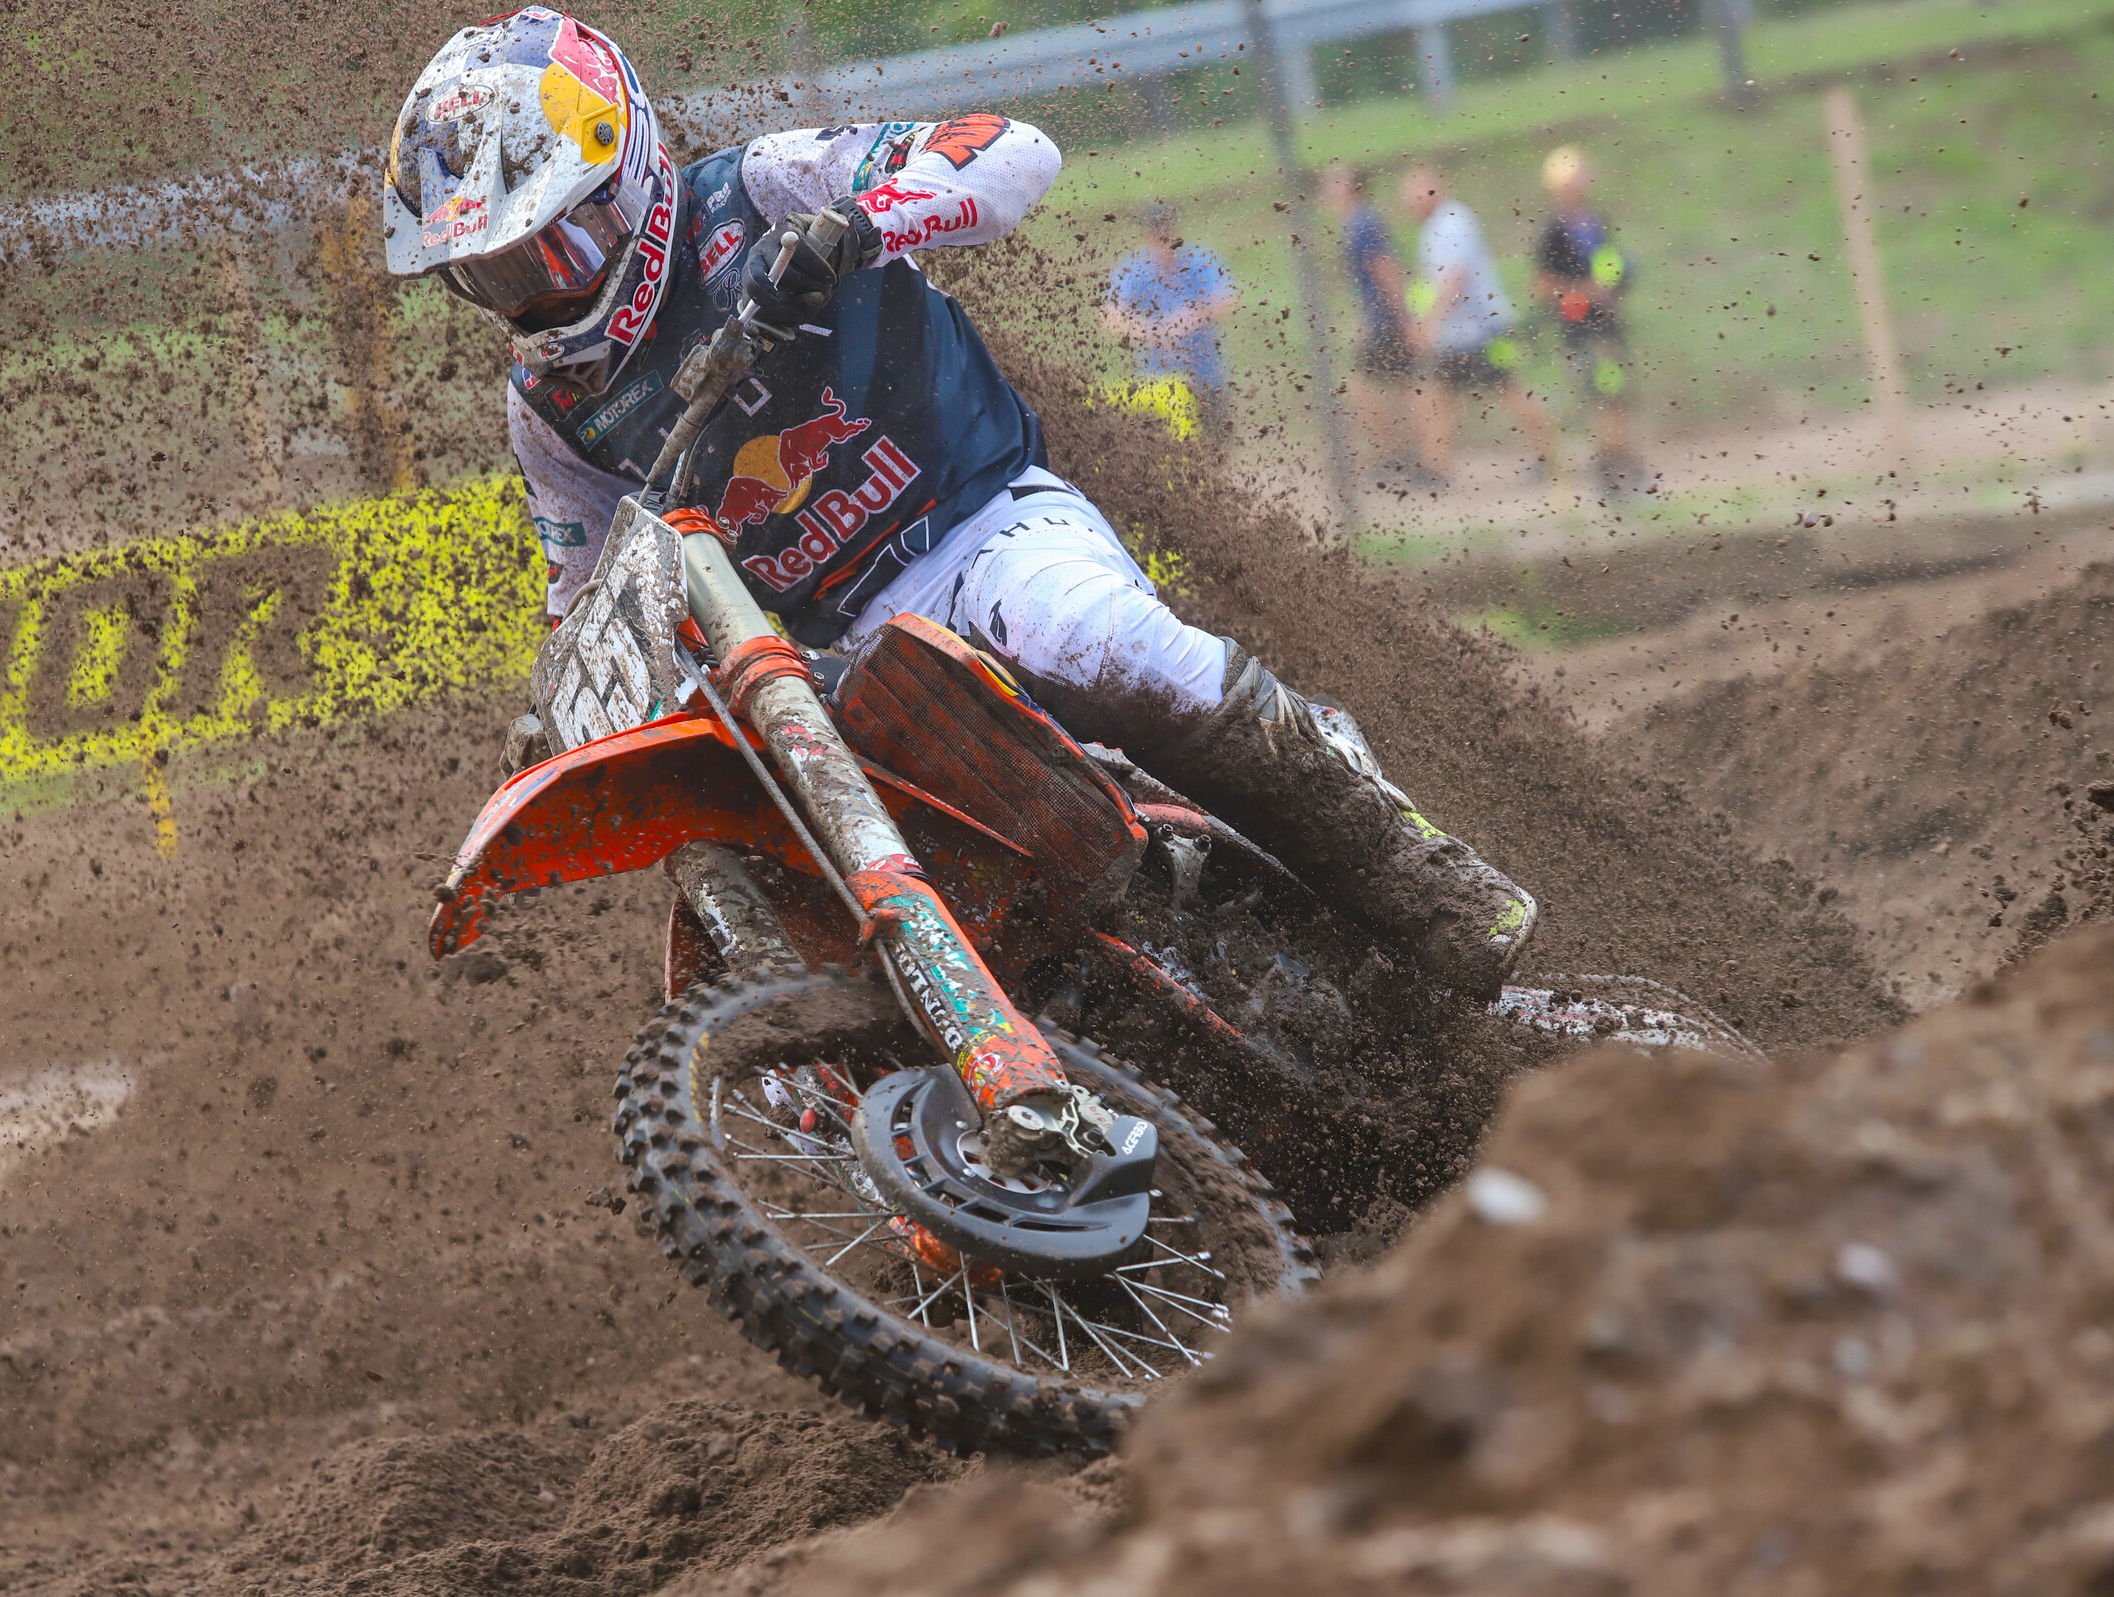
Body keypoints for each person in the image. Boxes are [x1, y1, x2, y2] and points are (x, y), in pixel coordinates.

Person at [379, 9, 1536, 997]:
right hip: (838, 665)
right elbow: (582, 587)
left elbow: (1011, 151)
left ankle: (1427, 881)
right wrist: (558, 707)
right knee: (805, 892)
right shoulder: (549, 408)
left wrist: (861, 226)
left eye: (553, 243)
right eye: (496, 274)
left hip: (987, 529)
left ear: (620, 170)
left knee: (1091, 637)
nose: (534, 286)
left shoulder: (759, 187)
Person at [1400, 167, 1558, 484]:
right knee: (1436, 394)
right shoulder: (1436, 226)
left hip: (1483, 331)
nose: (1412, 201)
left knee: (1509, 388)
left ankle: (1550, 457)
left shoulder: (1451, 223)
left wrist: (1429, 322)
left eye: (1419, 191)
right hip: (1459, 335)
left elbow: (1454, 277)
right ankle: (1436, 468)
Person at [1533, 146, 1645, 492]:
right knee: (1602, 394)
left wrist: (1615, 287)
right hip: (1580, 328)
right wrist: (1581, 291)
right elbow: (1541, 285)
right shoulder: (1554, 231)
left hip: (1607, 323)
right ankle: (1611, 463)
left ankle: (1622, 457)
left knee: (1617, 393)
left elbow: (1608, 265)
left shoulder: (1595, 221)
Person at [1100, 203, 1239, 445]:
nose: (1161, 236)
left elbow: (1228, 298)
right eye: (1155, 230)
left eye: (1165, 228)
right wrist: (1149, 329)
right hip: (1160, 385)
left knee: (1217, 450)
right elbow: (1110, 317)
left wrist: (1192, 315)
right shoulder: (1134, 270)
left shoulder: (1199, 261)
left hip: (1206, 380)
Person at [1318, 164, 1422, 485]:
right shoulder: (1357, 222)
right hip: (1382, 319)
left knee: (1364, 389)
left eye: (1334, 182)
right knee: (1401, 387)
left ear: (1352, 188)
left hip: (1386, 321)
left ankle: (1398, 455)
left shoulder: (1362, 223)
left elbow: (1386, 270)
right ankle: (1407, 455)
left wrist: (1404, 318)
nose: (1326, 189)